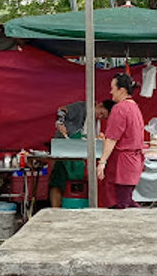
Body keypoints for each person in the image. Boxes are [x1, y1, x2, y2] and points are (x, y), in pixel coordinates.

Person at [48, 100, 110, 207]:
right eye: (101, 113)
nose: (100, 117)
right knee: (57, 182)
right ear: (99, 105)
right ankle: (56, 211)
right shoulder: (82, 108)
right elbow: (62, 110)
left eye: (103, 117)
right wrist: (60, 122)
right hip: (64, 151)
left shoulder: (95, 123)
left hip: (80, 157)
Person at [98, 73, 145, 208]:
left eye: (113, 88)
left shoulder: (120, 108)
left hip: (122, 165)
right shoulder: (134, 107)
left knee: (120, 205)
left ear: (122, 90)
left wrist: (102, 161)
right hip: (133, 163)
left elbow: (112, 138)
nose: (110, 91)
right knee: (126, 201)